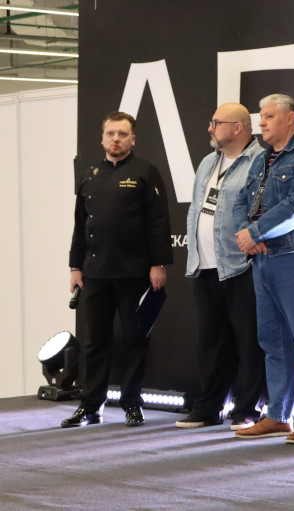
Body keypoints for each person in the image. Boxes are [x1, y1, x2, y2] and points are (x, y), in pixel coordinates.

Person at [231, 94, 294, 444]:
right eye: (261, 117)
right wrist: (247, 234)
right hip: (263, 259)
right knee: (272, 341)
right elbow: (240, 201)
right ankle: (278, 415)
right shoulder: (261, 158)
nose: (261, 123)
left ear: (291, 119)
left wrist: (255, 232)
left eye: (269, 116)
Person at [64, 112, 172, 428]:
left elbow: (158, 222)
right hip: (95, 273)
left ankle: (132, 404)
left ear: (132, 139)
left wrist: (158, 264)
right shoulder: (90, 175)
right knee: (94, 342)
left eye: (122, 134)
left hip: (134, 273)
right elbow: (80, 225)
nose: (116, 139)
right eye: (111, 133)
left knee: (135, 340)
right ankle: (90, 406)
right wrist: (75, 266)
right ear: (102, 138)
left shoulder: (145, 172)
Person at [176, 103, 267, 431]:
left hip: (242, 265)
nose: (210, 128)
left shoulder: (260, 160)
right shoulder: (207, 162)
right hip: (205, 265)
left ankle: (247, 409)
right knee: (211, 343)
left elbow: (261, 209)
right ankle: (209, 407)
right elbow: (196, 208)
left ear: (238, 128)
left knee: (249, 342)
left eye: (216, 123)